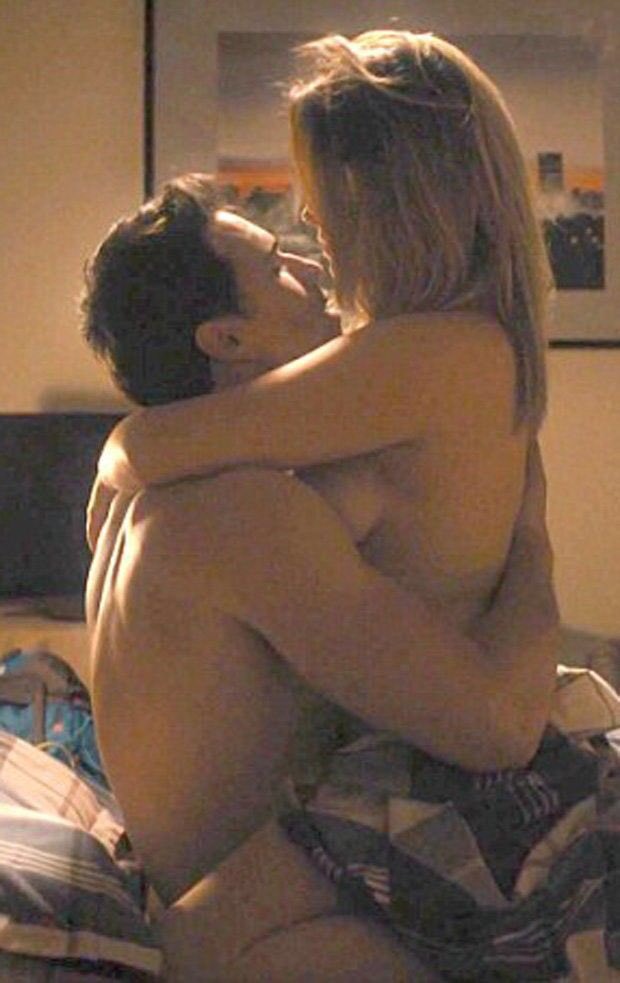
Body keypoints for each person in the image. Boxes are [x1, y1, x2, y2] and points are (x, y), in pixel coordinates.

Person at [82, 32, 620, 980]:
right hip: (365, 825)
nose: (310, 235)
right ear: (227, 337)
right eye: (277, 259)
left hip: (388, 800)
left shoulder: (172, 501)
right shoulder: (246, 500)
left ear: (389, 199)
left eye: (319, 198)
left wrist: (121, 446)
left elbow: (155, 445)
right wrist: (532, 540)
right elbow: (489, 724)